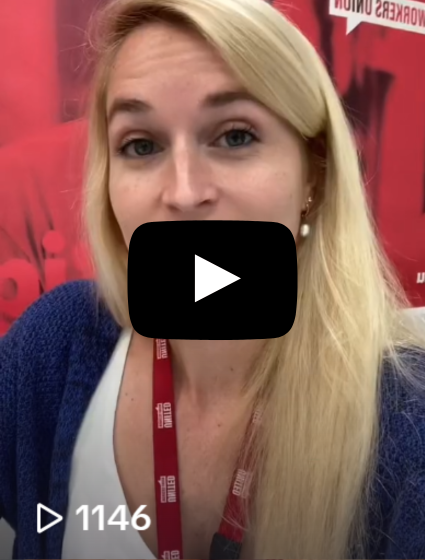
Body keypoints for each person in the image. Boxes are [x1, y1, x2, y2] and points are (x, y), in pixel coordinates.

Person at [1, 0, 425, 558]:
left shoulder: (406, 421)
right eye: (141, 145)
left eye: (234, 136)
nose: (183, 192)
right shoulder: (55, 344)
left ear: (314, 174)